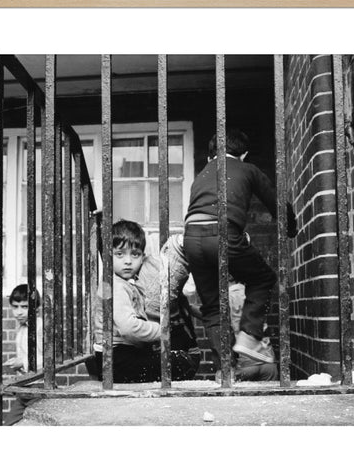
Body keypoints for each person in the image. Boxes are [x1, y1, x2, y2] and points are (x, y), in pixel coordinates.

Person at [183, 128, 297, 373]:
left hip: (191, 238)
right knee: (263, 278)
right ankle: (249, 336)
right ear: (243, 154)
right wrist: (291, 227)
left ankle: (225, 369)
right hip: (222, 234)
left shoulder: (202, 173)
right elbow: (275, 202)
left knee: (212, 306)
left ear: (209, 156)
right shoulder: (247, 169)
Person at [93, 220, 196, 383]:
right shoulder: (115, 286)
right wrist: (162, 331)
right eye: (119, 254)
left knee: (173, 358)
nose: (128, 261)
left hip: (118, 355)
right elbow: (128, 328)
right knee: (179, 364)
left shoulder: (126, 282)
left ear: (142, 256)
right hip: (115, 359)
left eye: (135, 254)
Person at [137, 234, 201, 375]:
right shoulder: (140, 285)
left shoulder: (171, 293)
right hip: (175, 348)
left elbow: (184, 304)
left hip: (181, 346)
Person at [3, 284, 42, 426]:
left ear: (36, 307)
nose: (18, 312)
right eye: (15, 306)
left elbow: (51, 360)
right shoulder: (21, 327)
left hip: (39, 388)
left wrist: (23, 362)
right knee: (8, 424)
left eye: (24, 307)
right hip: (24, 390)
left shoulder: (39, 327)